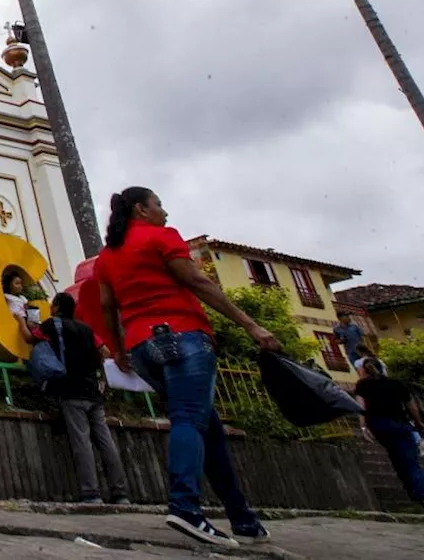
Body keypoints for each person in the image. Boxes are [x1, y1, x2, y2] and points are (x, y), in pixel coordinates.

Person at [97, 187, 278, 548]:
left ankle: (243, 518)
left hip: (141, 347)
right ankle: (185, 506)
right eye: (158, 204)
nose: (164, 211)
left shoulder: (107, 256)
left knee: (206, 428)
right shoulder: (162, 237)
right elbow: (197, 282)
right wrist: (250, 324)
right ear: (141, 209)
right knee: (187, 418)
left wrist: (118, 350)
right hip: (181, 337)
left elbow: (107, 305)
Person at [36, 292, 131, 505]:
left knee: (82, 442)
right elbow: (105, 351)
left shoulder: (52, 324)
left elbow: (29, 336)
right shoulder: (87, 329)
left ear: (57, 307)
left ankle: (91, 493)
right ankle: (120, 493)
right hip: (93, 390)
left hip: (70, 390)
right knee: (105, 441)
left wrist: (20, 320)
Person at [355, 359, 424, 514]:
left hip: (378, 425)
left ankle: (413, 493)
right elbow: (411, 406)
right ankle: (423, 498)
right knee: (411, 462)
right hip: (399, 423)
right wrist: (418, 422)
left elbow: (361, 406)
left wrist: (364, 426)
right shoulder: (396, 383)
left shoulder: (363, 385)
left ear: (364, 371)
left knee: (396, 456)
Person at [3, 269, 38, 342]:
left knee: (33, 309)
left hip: (26, 316)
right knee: (21, 318)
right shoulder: (6, 296)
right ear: (8, 285)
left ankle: (36, 329)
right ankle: (29, 337)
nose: (20, 286)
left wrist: (29, 310)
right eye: (17, 283)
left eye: (21, 283)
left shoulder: (22, 297)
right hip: (17, 317)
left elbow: (27, 307)